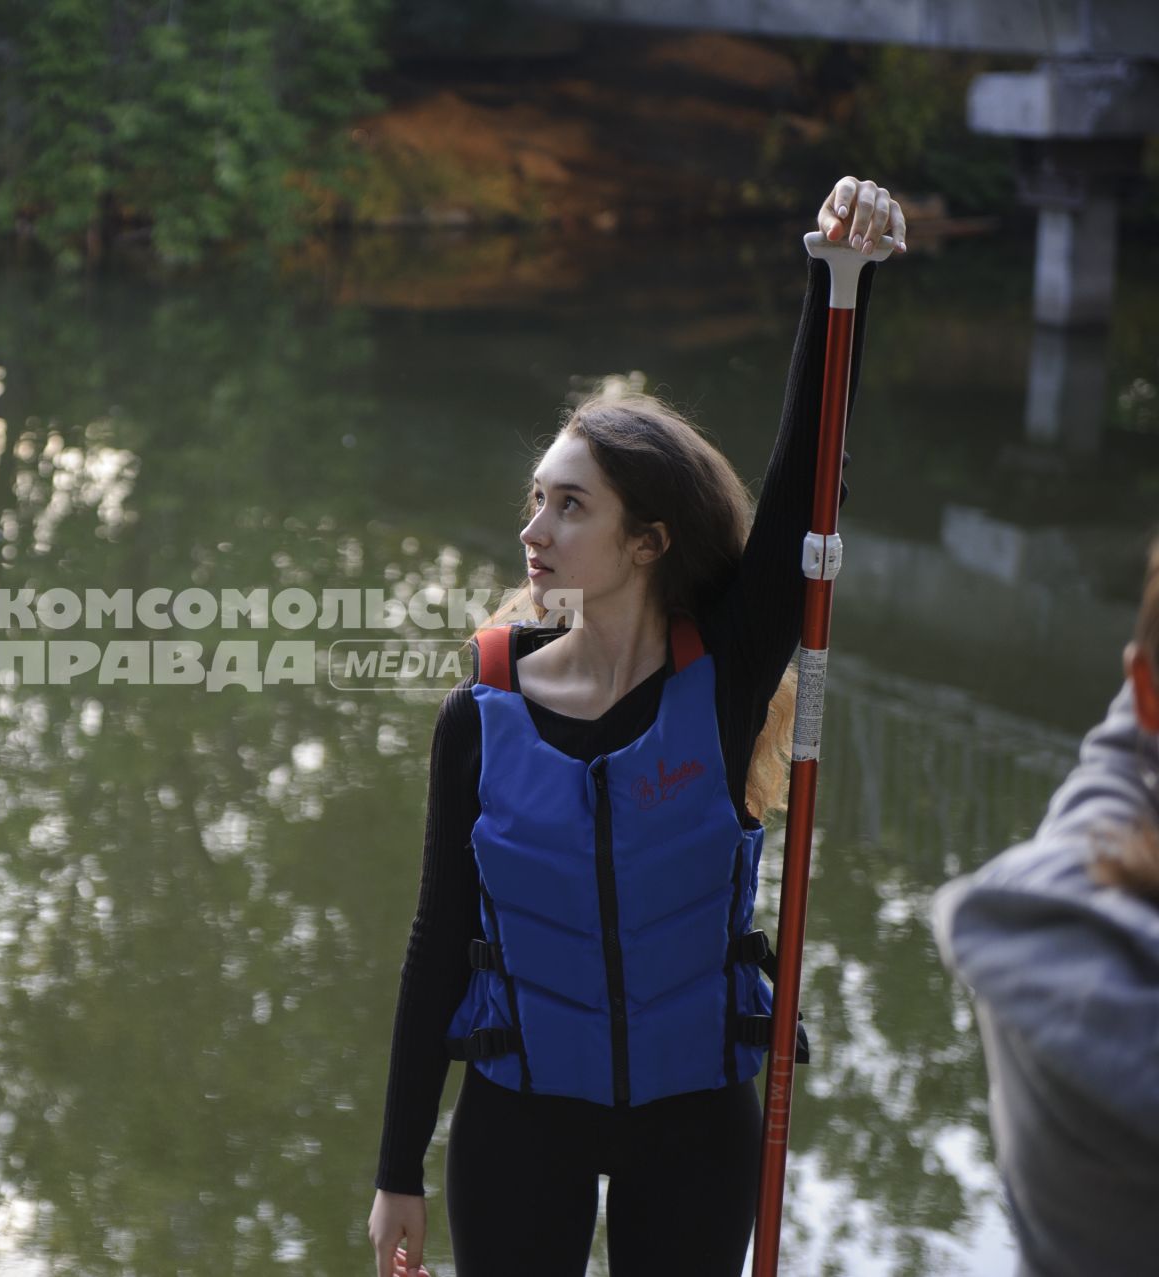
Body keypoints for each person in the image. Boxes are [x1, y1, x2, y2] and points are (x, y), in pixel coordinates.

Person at [366, 178, 906, 1277]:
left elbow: (804, 491)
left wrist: (831, 275)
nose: (535, 528)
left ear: (650, 540)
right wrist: (396, 1171)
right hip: (521, 1117)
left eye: (571, 505)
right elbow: (434, 944)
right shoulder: (480, 716)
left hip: (694, 1119)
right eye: (534, 500)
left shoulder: (723, 681)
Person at [931, 538, 1159, 1276]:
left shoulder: (1062, 924)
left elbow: (1124, 758)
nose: (549, 526)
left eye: (570, 502)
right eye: (549, 497)